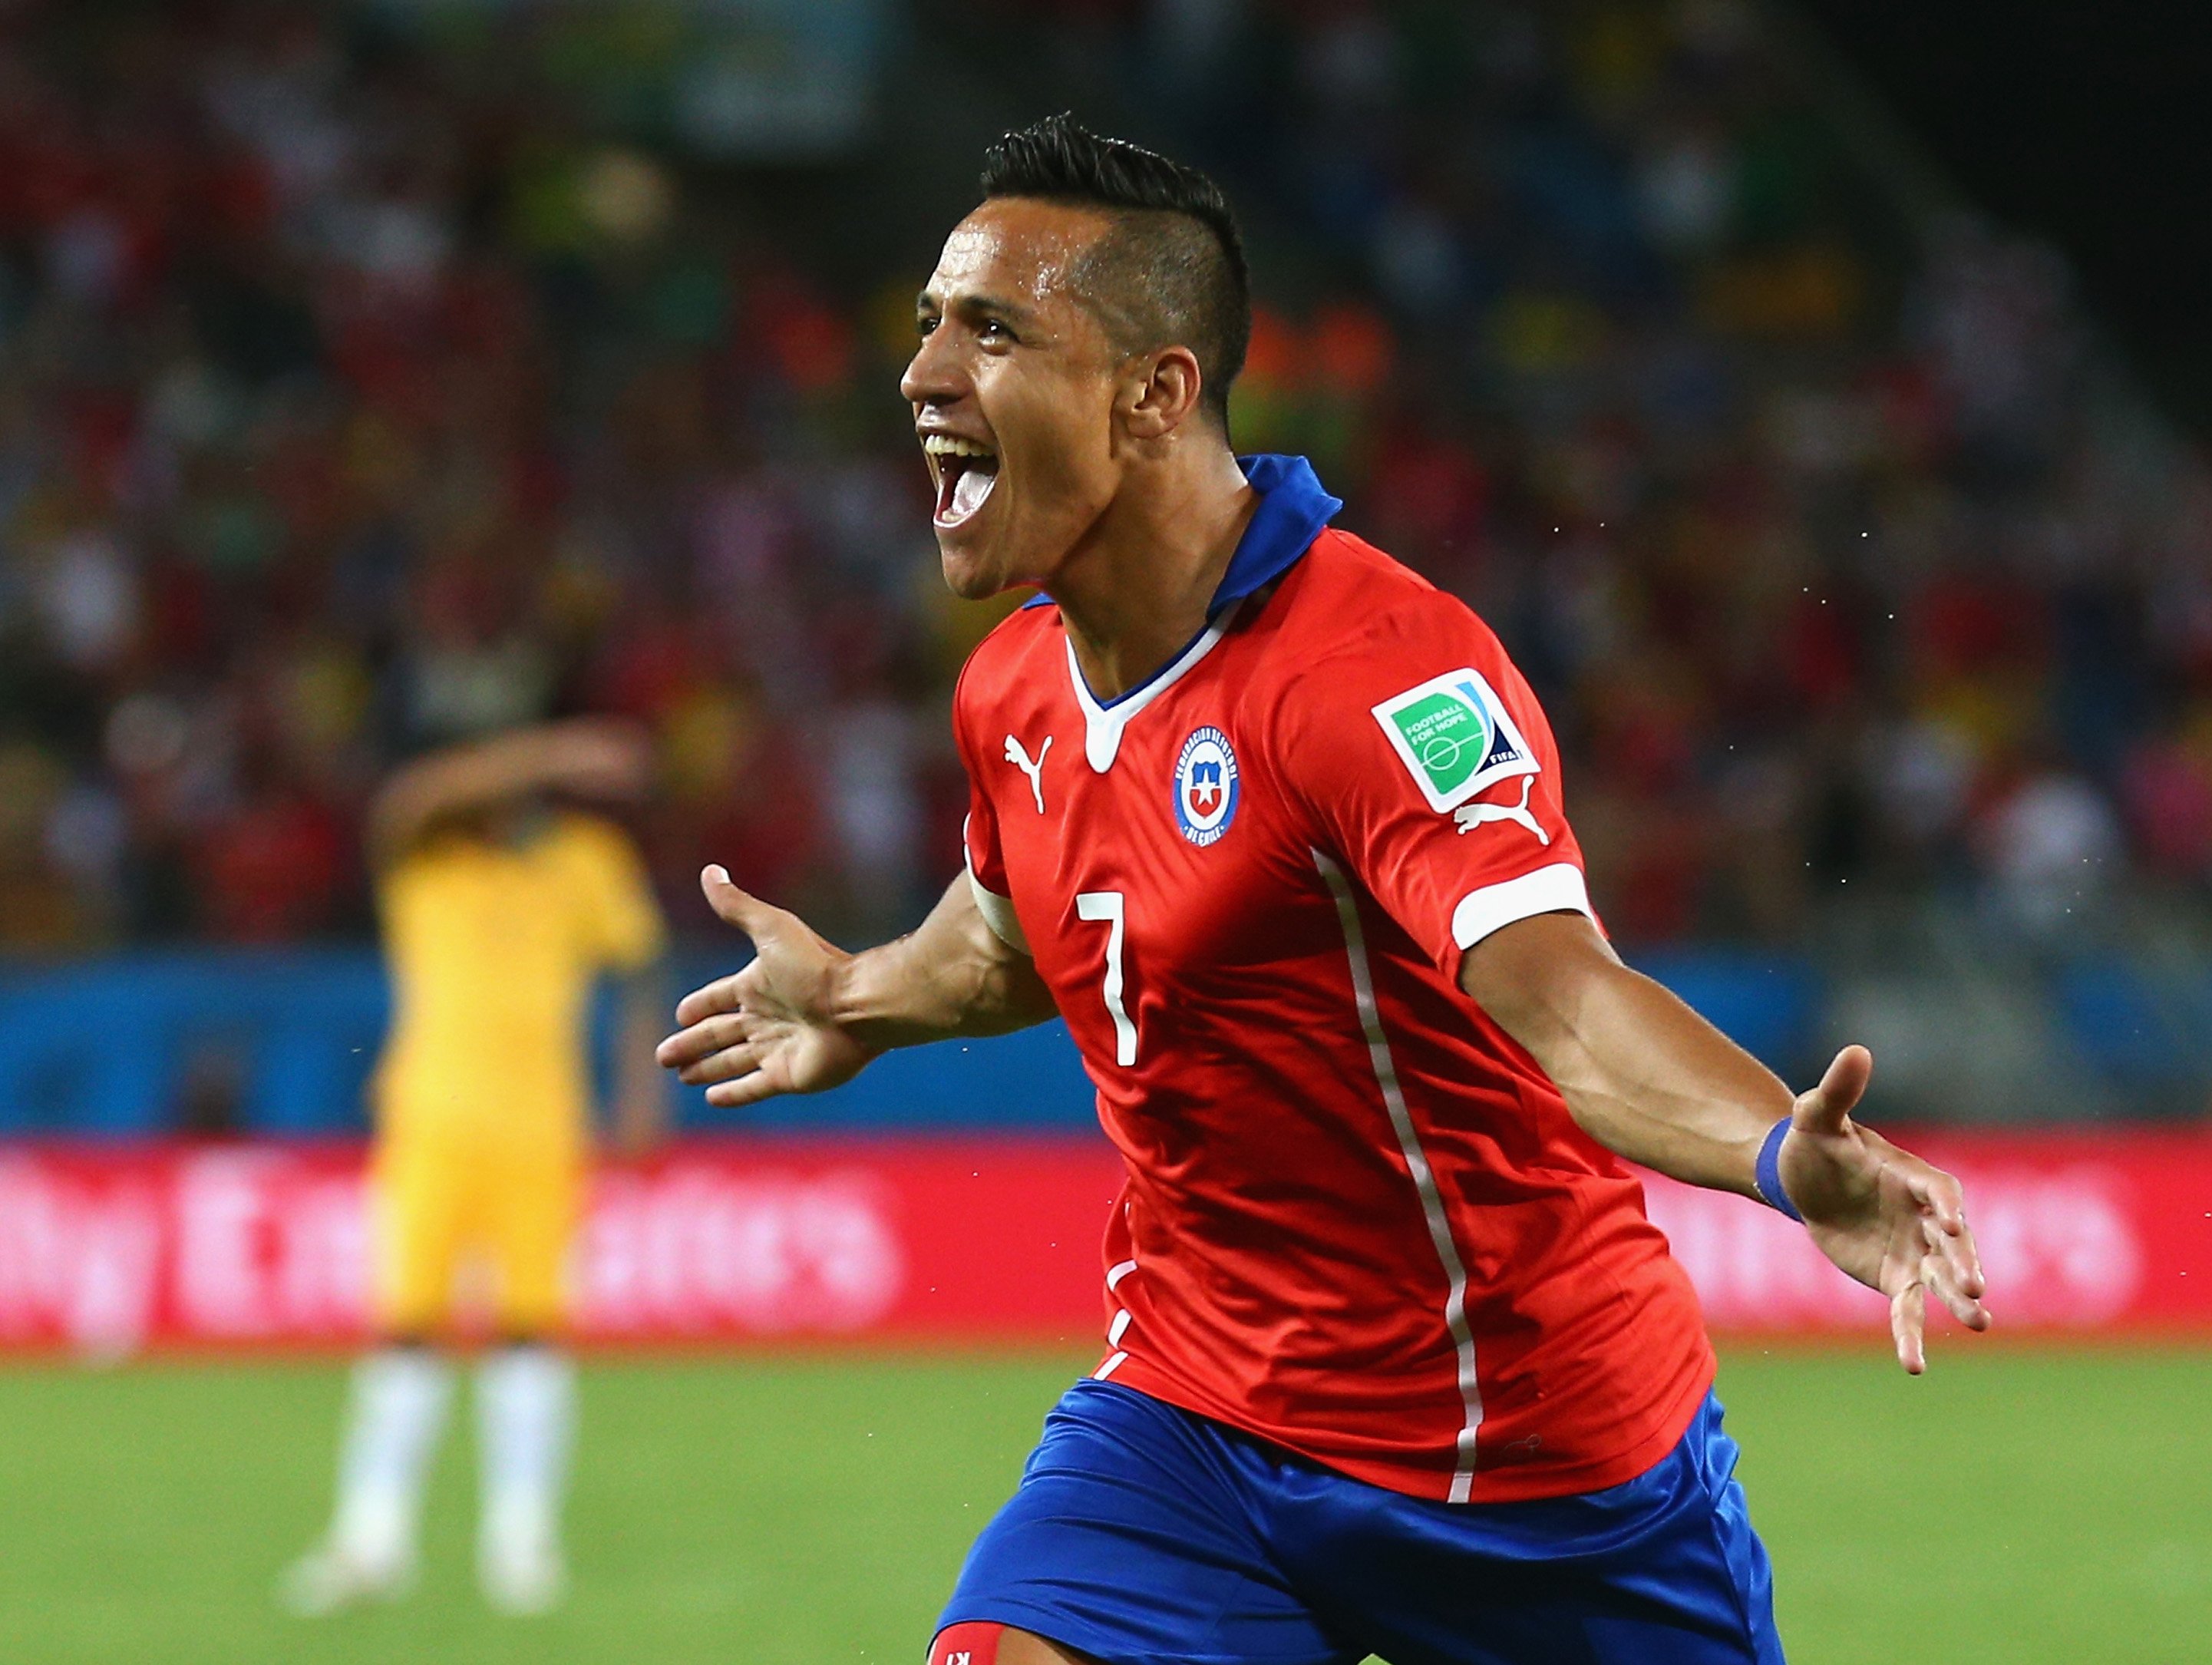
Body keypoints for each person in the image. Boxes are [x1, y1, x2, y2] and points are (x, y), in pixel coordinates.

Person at [658, 115, 1991, 1665]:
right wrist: (856, 997)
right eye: (929, 323)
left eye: (993, 328)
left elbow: (1561, 998)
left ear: (1155, 393)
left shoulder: (1375, 674)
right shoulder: (1013, 687)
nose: (924, 372)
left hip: (1536, 1462)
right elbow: (1027, 927)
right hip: (1197, 1420)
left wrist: (1775, 1151)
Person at [281, 719, 669, 1617]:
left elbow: (639, 967)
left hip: (543, 1125)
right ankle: (370, 1540)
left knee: (529, 1332)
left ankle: (521, 1543)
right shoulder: (424, 853)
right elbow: (407, 800)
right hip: (430, 1122)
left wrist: (640, 1087)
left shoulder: (584, 858)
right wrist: (555, 749)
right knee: (406, 1328)